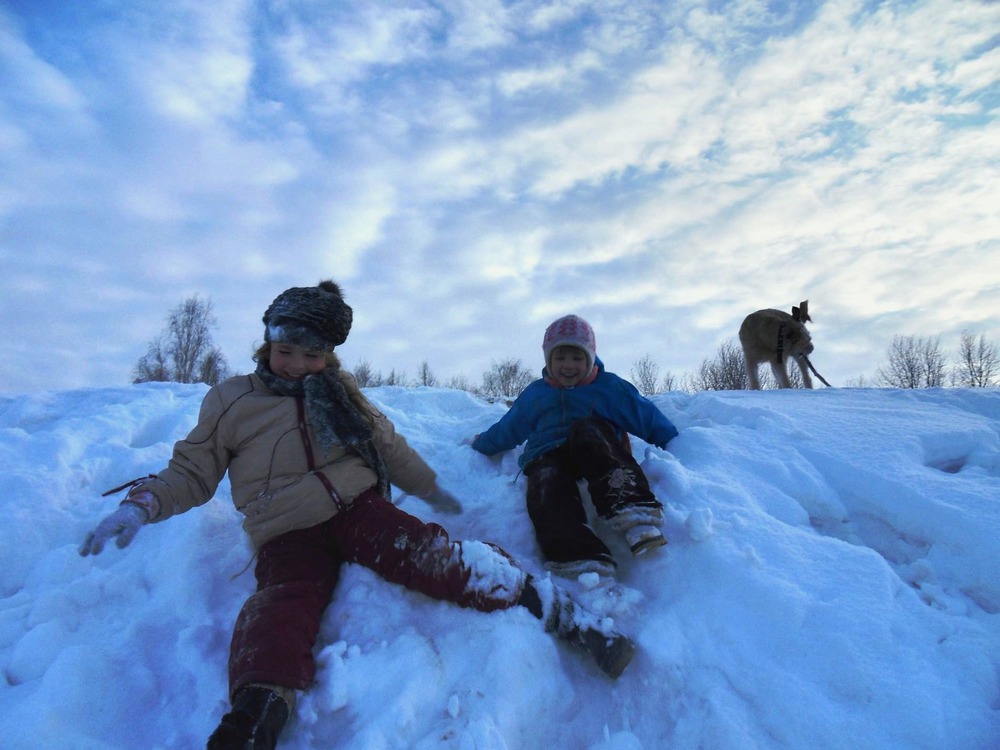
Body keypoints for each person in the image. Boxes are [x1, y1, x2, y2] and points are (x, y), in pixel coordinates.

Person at [80, 282, 636, 750]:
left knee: (432, 557)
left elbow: (384, 441)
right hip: (283, 528)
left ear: (329, 354)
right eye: (285, 347)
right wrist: (143, 504)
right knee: (280, 602)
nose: (297, 363)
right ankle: (257, 711)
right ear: (267, 340)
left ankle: (556, 611)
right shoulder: (232, 401)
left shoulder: (341, 394)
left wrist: (427, 483)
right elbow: (194, 468)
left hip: (356, 508)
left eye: (311, 352)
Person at [472, 314, 678, 579]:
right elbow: (510, 428)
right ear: (548, 359)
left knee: (588, 429)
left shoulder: (608, 388)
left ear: (590, 357)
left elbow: (645, 416)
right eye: (560, 358)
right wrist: (482, 444)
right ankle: (577, 555)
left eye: (577, 357)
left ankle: (634, 513)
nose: (568, 366)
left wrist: (673, 442)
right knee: (545, 482)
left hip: (594, 447)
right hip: (548, 454)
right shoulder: (536, 394)